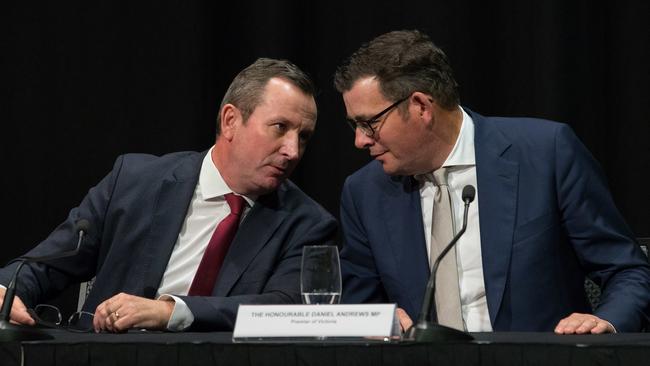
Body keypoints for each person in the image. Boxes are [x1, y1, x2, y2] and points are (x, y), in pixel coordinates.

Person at [334, 30, 650, 334]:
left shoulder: (546, 155)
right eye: (354, 125)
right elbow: (357, 306)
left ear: (421, 106)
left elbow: (627, 270)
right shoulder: (364, 192)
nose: (360, 141)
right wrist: (374, 320)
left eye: (370, 123)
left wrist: (606, 322)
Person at [0, 58, 337, 332]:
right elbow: (46, 264)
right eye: (280, 128)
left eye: (304, 137)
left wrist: (170, 311)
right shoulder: (135, 181)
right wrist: (6, 290)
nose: (293, 151)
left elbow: (286, 309)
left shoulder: (307, 224)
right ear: (231, 120)